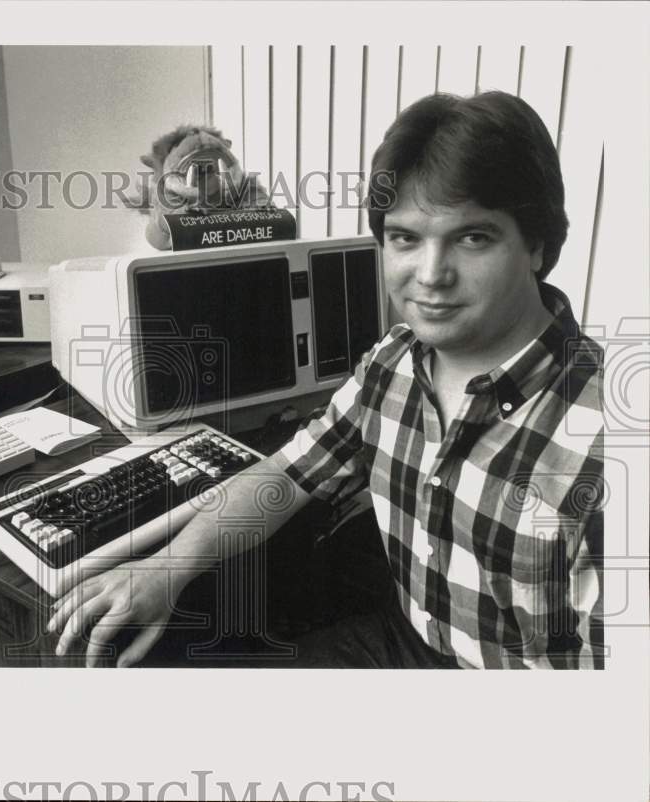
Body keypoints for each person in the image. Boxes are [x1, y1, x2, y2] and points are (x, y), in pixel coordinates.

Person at [47, 90, 605, 670]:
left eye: (473, 238)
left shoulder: (606, 443)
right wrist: (166, 568)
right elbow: (285, 476)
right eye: (405, 238)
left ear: (537, 244)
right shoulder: (394, 360)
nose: (431, 275)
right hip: (406, 639)